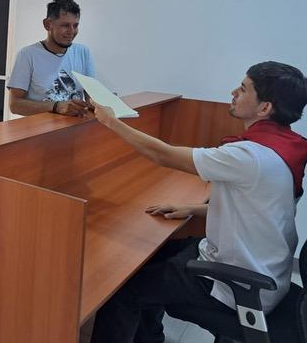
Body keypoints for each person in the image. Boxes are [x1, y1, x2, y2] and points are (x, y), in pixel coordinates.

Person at [88, 61, 307, 343]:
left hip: (235, 283)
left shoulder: (251, 156)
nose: (233, 92)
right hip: (263, 272)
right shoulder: (287, 147)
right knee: (149, 259)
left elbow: (163, 155)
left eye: (243, 89)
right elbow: (256, 210)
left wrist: (111, 121)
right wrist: (192, 208)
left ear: (264, 108)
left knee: (123, 292)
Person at [8, 0, 95, 116]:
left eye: (75, 25)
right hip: (41, 127)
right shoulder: (27, 55)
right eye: (65, 25)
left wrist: (103, 101)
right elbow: (15, 105)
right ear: (47, 24)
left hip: (76, 125)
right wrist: (56, 107)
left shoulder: (83, 52)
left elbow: (90, 97)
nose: (71, 31)